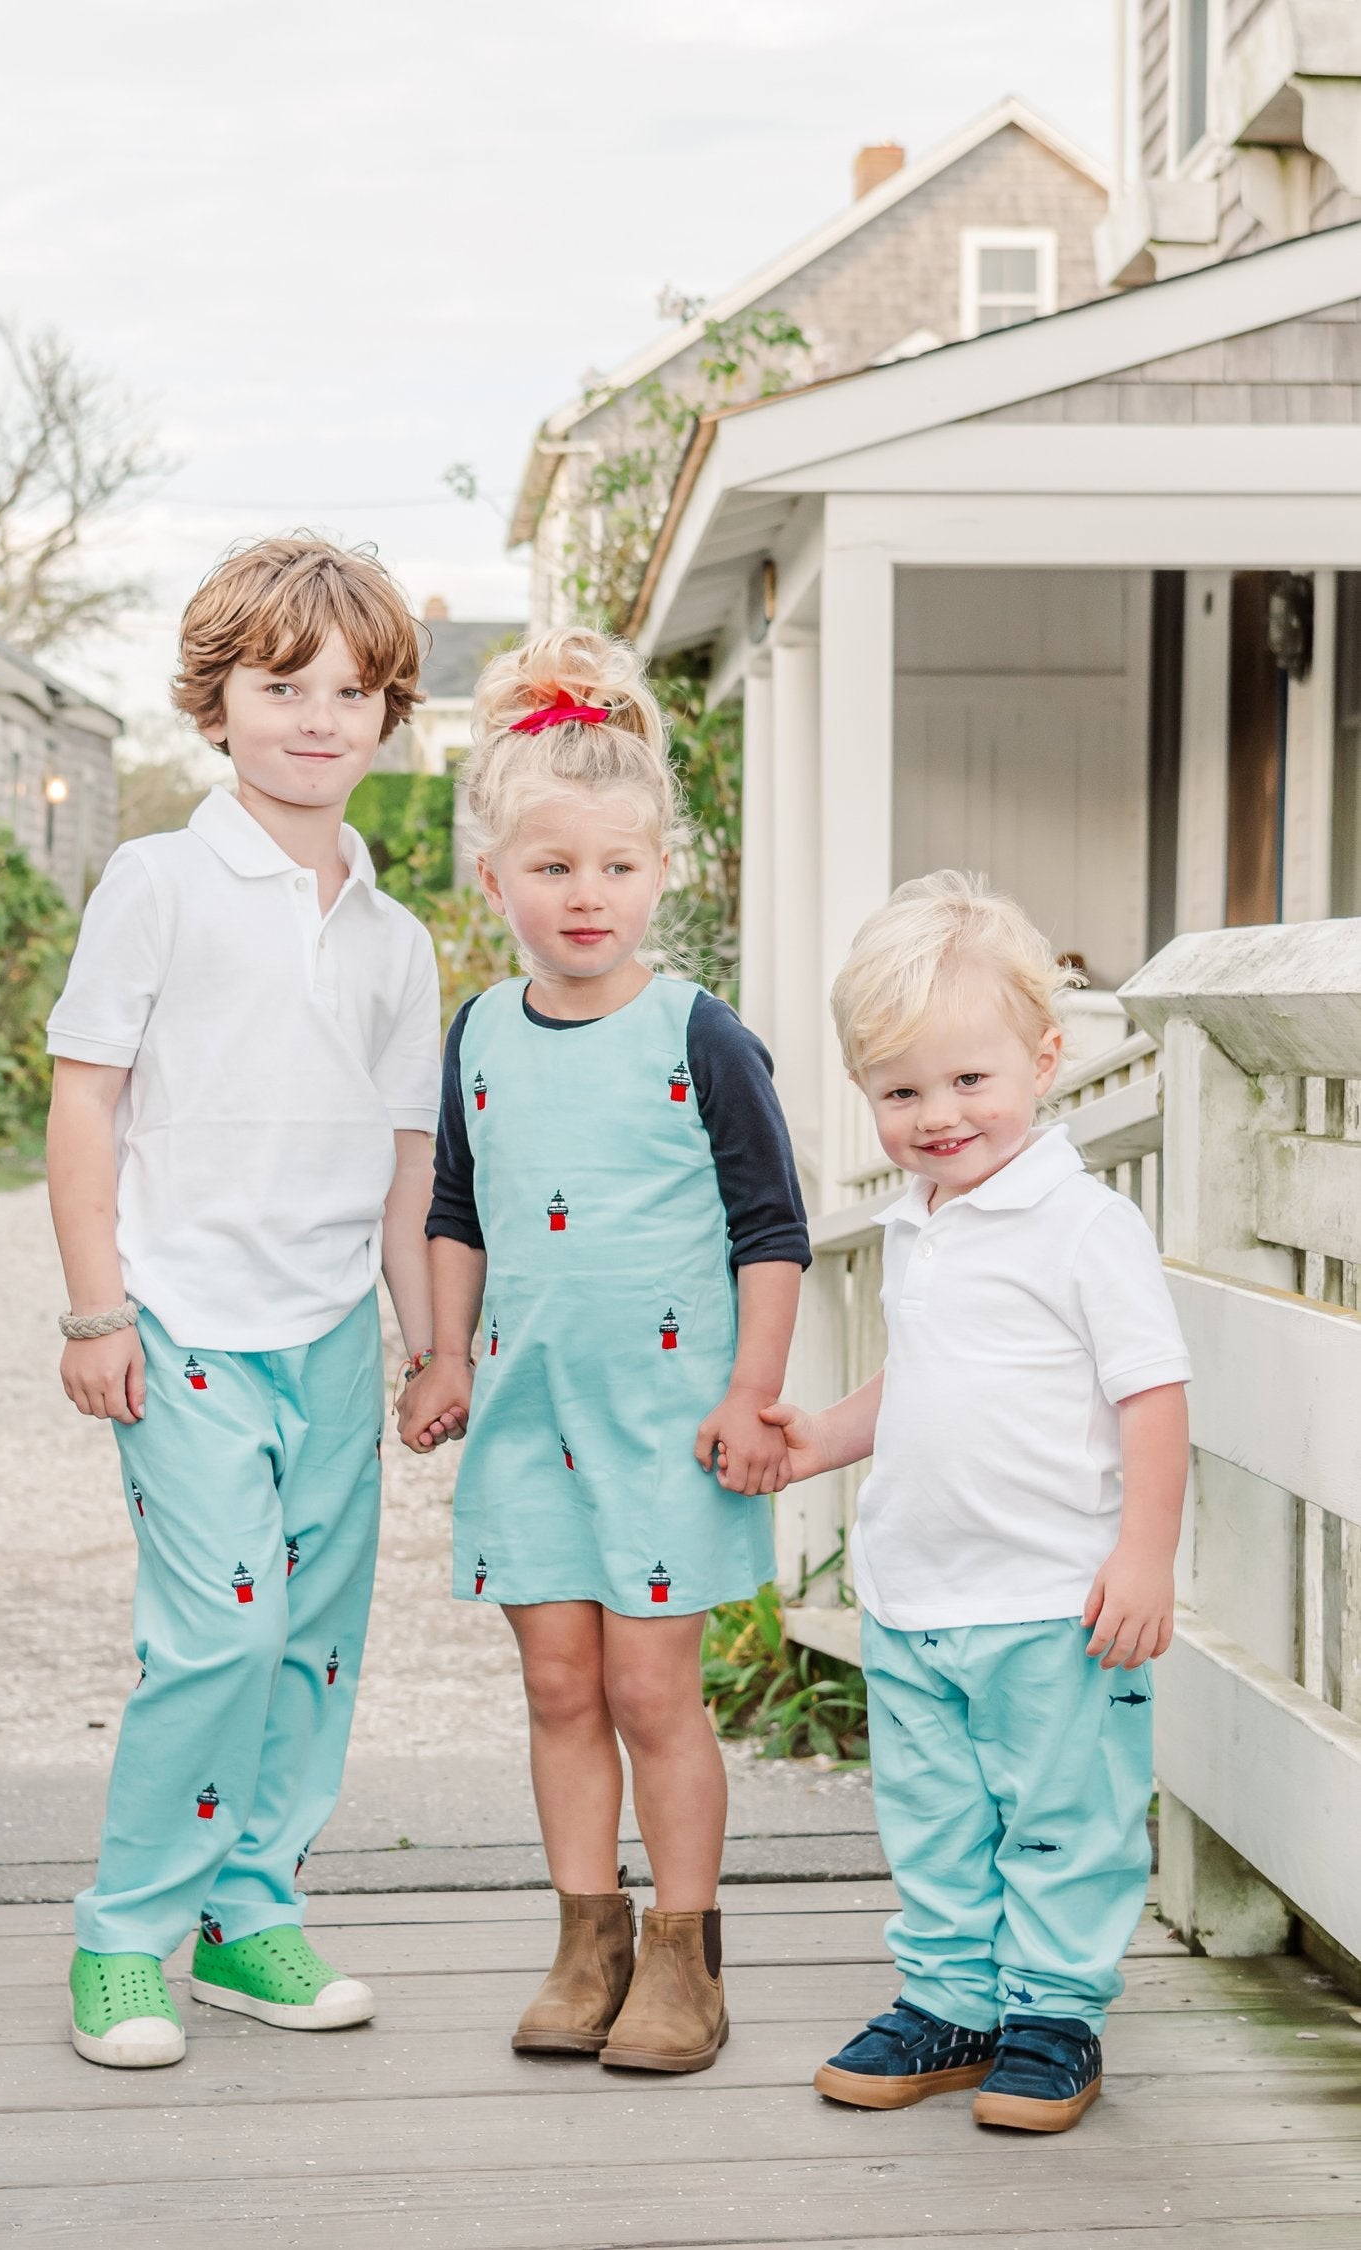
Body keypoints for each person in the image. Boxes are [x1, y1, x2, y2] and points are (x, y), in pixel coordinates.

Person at [45, 536, 440, 2069]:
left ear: (389, 714)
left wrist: (430, 1344)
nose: (318, 718)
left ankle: (248, 1908)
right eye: (283, 687)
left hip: (333, 1335)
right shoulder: (157, 880)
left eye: (352, 691)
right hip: (187, 1322)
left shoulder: (397, 940)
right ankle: (124, 1932)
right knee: (220, 1629)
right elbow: (86, 1105)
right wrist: (98, 1311)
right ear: (218, 705)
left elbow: (408, 1163)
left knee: (316, 1642)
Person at [399, 626, 809, 2073]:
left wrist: (752, 1390)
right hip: (527, 1416)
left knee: (652, 1691)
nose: (587, 896)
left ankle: (687, 1952)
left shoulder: (702, 1035)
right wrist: (441, 1353)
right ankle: (590, 1936)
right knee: (559, 1687)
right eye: (554, 867)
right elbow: (457, 1207)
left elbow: (773, 1228)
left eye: (617, 868)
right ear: (497, 876)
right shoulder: (478, 1035)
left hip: (667, 1421)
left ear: (662, 871)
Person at [765, 872, 1190, 2134]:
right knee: (938, 1818)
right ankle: (951, 2001)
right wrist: (822, 1437)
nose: (938, 1117)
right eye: (902, 1091)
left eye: (969, 1082)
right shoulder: (922, 1224)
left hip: (1055, 1599)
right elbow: (925, 1380)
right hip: (919, 1592)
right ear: (866, 1094)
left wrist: (1146, 1555)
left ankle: (1055, 2013)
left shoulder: (1083, 1225)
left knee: (1065, 1817)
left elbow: (1152, 1395)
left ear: (1044, 1061)